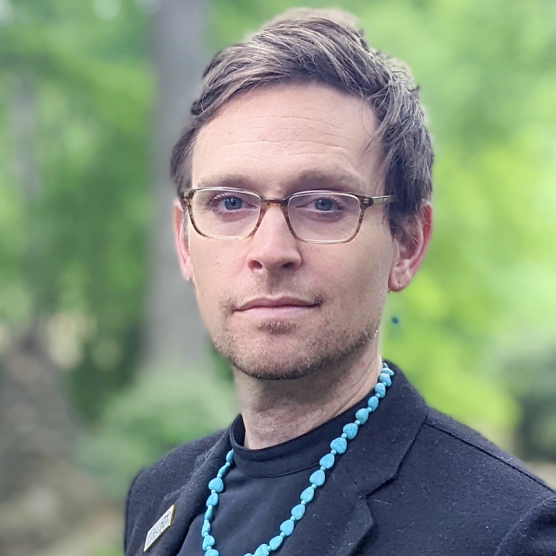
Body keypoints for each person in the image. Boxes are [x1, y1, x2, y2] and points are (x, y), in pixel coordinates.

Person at [124, 8, 556, 556]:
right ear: (185, 242)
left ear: (408, 243)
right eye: (230, 203)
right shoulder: (157, 496)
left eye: (324, 204)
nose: (270, 250)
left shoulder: (509, 532)